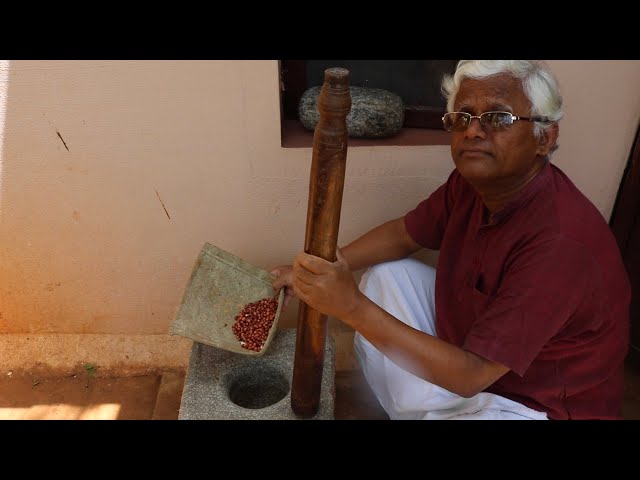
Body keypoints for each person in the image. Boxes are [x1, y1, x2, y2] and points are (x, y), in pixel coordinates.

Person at [271, 60, 631, 420]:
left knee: (373, 309)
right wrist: (319, 271)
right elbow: (403, 234)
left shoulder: (561, 243)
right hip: (475, 358)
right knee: (387, 278)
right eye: (463, 117)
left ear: (545, 138)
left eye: (498, 118)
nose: (473, 132)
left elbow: (472, 374)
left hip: (535, 403)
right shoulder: (473, 185)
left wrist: (348, 306)